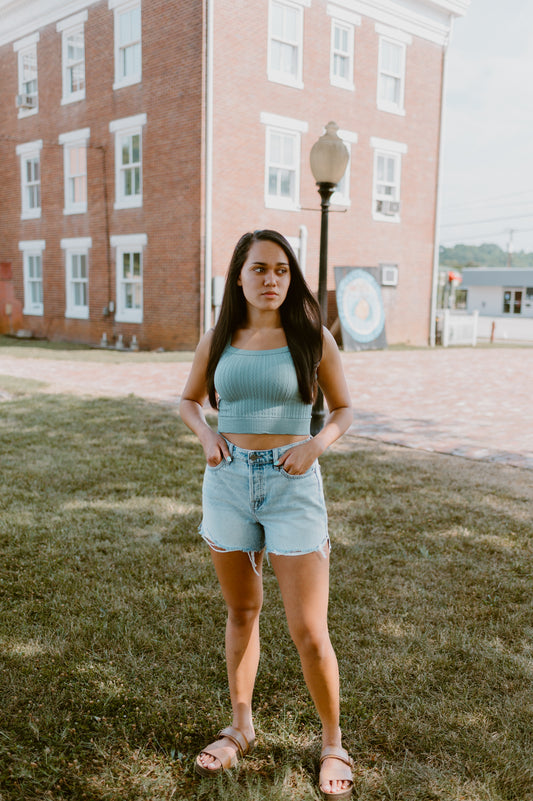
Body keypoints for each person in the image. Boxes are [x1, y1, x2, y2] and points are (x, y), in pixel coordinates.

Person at [179, 229, 354, 799]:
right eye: (259, 269)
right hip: (227, 482)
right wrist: (205, 431)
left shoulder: (313, 338)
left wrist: (314, 444)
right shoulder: (220, 337)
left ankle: (332, 743)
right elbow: (187, 400)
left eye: (281, 269)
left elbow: (345, 410)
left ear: (291, 276)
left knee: (307, 629)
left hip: (293, 483)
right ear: (238, 276)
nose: (271, 280)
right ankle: (240, 726)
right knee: (242, 611)